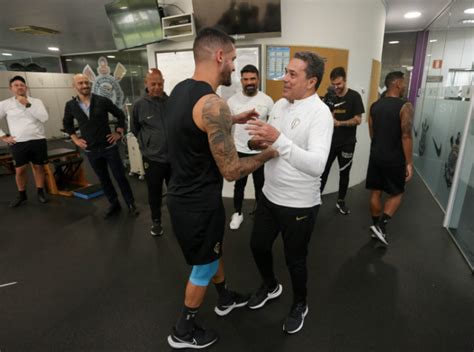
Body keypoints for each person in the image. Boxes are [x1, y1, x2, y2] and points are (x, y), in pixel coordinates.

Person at [165, 28, 278, 349]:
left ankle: (225, 296)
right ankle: (183, 330)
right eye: (232, 59)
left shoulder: (181, 91)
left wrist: (235, 118)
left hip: (184, 197)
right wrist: (270, 151)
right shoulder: (213, 103)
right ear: (219, 57)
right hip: (198, 204)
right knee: (202, 266)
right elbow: (231, 171)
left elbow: (195, 125)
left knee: (213, 252)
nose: (233, 66)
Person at [245, 52, 333, 334]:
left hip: (299, 204)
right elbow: (276, 147)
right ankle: (271, 286)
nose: (284, 78)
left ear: (311, 82)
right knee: (257, 246)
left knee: (295, 260)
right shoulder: (281, 105)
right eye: (286, 71)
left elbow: (317, 166)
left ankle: (300, 304)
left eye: (293, 74)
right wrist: (261, 143)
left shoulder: (320, 114)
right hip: (270, 196)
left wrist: (277, 139)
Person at [63, 74, 139, 218]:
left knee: (120, 177)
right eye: (80, 83)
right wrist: (75, 139)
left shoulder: (102, 101)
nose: (85, 85)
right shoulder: (71, 105)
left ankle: (130, 203)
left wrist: (118, 132)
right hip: (91, 150)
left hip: (109, 148)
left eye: (86, 82)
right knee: (103, 179)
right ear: (74, 86)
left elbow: (120, 115)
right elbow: (67, 124)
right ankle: (114, 203)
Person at [366, 71, 413, 245]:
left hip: (377, 154)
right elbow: (406, 136)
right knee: (398, 192)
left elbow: (372, 131)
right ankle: (381, 226)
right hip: (394, 157)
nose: (405, 86)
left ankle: (374, 227)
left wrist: (379, 146)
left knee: (376, 192)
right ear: (397, 84)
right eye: (404, 83)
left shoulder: (374, 106)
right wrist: (409, 163)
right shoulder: (405, 106)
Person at [227, 64, 274, 230]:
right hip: (239, 150)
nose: (249, 82)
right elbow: (227, 126)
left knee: (260, 185)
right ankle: (237, 213)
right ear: (241, 80)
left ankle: (259, 214)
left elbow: (272, 125)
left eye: (252, 78)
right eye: (246, 79)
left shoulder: (267, 100)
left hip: (259, 151)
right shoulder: (232, 101)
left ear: (258, 79)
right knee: (239, 185)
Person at [320, 67, 364, 215]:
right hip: (330, 142)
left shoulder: (354, 96)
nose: (336, 87)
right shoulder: (330, 96)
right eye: (334, 84)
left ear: (345, 80)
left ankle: (341, 201)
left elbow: (358, 120)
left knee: (344, 173)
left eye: (339, 84)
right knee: (323, 171)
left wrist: (340, 123)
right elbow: (324, 117)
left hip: (347, 142)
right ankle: (315, 199)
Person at [131, 68, 170, 236]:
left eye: (159, 83)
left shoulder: (171, 102)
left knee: (176, 191)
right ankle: (156, 221)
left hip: (173, 158)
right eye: (153, 84)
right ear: (146, 83)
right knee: (154, 192)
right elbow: (135, 128)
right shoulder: (139, 105)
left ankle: (177, 217)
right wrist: (146, 146)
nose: (156, 87)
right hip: (152, 159)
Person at [0, 75, 49, 207]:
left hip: (38, 140)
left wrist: (27, 104)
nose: (19, 87)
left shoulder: (36, 101)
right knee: (20, 170)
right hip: (18, 142)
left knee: (38, 167)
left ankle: (40, 192)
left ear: (26, 87)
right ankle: (22, 195)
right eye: (16, 85)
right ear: (11, 88)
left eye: (22, 85)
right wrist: (3, 136)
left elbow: (44, 118)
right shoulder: (5, 104)